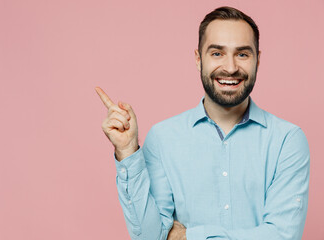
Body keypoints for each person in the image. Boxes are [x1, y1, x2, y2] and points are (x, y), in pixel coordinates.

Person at [95, 6, 310, 240]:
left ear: (258, 60)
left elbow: (283, 236)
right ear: (198, 59)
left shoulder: (287, 141)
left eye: (243, 54)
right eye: (217, 53)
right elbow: (149, 236)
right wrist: (127, 152)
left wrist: (190, 236)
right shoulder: (163, 138)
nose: (230, 67)